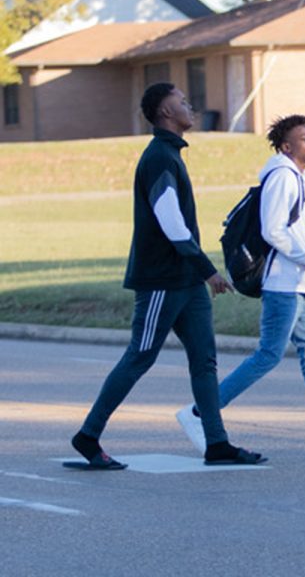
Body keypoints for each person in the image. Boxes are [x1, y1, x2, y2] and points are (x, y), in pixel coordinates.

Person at [68, 83, 266, 470]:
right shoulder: (158, 157)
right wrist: (207, 270)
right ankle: (87, 436)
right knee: (139, 357)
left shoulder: (171, 154)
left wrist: (198, 274)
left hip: (186, 281)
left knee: (205, 361)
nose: (189, 106)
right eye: (181, 102)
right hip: (161, 279)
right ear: (164, 113)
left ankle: (217, 443)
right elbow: (171, 223)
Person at [177, 114, 305, 456]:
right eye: (304, 138)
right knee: (269, 355)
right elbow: (273, 229)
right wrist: (303, 257)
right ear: (287, 147)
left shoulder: (301, 178)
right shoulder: (282, 177)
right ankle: (201, 412)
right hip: (285, 284)